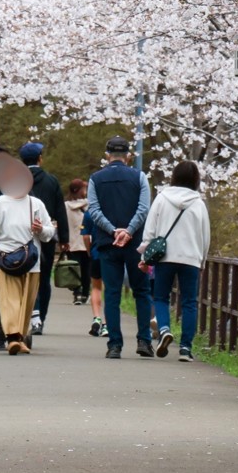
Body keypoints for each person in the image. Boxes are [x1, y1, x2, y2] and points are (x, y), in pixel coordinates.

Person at [0, 154, 57, 354]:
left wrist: (40, 229)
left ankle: (19, 336)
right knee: (10, 300)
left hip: (31, 261)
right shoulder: (0, 203)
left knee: (27, 303)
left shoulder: (36, 204)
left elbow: (49, 234)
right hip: (7, 259)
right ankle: (12, 337)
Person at [85, 135, 153, 358]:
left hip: (107, 242)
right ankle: (144, 340)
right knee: (141, 291)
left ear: (107, 156)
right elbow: (144, 209)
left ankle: (114, 344)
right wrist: (129, 231)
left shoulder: (96, 179)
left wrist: (113, 230)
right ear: (128, 156)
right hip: (135, 244)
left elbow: (94, 211)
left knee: (112, 293)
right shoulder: (139, 177)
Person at [141, 160, 212, 362]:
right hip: (190, 258)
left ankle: (164, 330)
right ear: (195, 179)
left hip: (165, 257)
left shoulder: (162, 199)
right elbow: (205, 235)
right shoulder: (198, 204)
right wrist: (203, 261)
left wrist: (144, 256)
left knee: (161, 297)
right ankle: (185, 349)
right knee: (189, 302)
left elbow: (150, 230)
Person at [18, 141, 69, 334]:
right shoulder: (51, 181)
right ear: (40, 158)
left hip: (20, 237)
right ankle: (40, 320)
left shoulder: (16, 180)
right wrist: (64, 238)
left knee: (21, 276)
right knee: (43, 278)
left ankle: (24, 316)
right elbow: (60, 210)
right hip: (46, 237)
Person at [65, 178, 100, 323]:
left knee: (74, 269)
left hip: (72, 242)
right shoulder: (90, 205)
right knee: (86, 270)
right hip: (87, 242)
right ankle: (85, 294)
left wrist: (63, 240)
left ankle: (77, 293)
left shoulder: (65, 206)